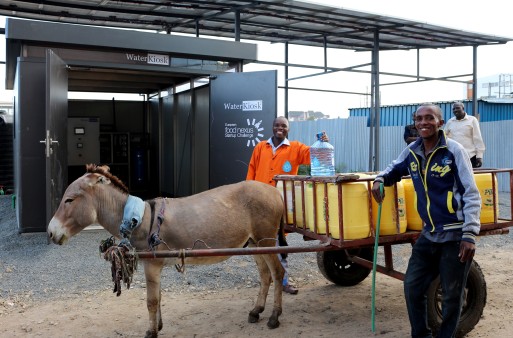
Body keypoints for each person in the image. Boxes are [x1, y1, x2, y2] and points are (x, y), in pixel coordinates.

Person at [371, 103, 481, 338]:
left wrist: (470, 234)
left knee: (452, 297)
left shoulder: (454, 151)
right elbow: (393, 169)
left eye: (429, 118)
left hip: (454, 235)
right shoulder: (412, 150)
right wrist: (380, 179)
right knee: (412, 287)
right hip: (429, 234)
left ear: (440, 123)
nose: (423, 123)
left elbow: (471, 192)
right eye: (419, 118)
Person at [246, 116, 328, 295]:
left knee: (279, 241)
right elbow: (251, 171)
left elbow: (314, 155)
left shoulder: (296, 148)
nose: (279, 128)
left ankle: (282, 281)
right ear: (272, 127)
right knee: (260, 243)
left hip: (280, 205)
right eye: (277, 125)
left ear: (288, 129)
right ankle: (270, 279)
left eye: (283, 126)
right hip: (259, 204)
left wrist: (322, 143)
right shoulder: (261, 147)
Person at [444, 101, 485, 168]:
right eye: (453, 109)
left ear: (463, 108)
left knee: (470, 178)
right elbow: (444, 137)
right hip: (455, 157)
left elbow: (477, 138)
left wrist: (479, 157)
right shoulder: (450, 122)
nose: (455, 110)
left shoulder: (472, 120)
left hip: (470, 156)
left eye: (457, 108)